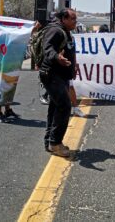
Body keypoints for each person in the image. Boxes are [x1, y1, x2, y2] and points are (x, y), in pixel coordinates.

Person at [40, 8, 78, 156]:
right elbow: (47, 48)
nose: (75, 21)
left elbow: (68, 51)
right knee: (64, 106)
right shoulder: (55, 31)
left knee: (55, 108)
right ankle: (56, 143)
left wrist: (73, 65)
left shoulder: (66, 32)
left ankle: (50, 141)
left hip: (61, 75)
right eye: (72, 19)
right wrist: (57, 57)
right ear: (63, 19)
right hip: (52, 74)